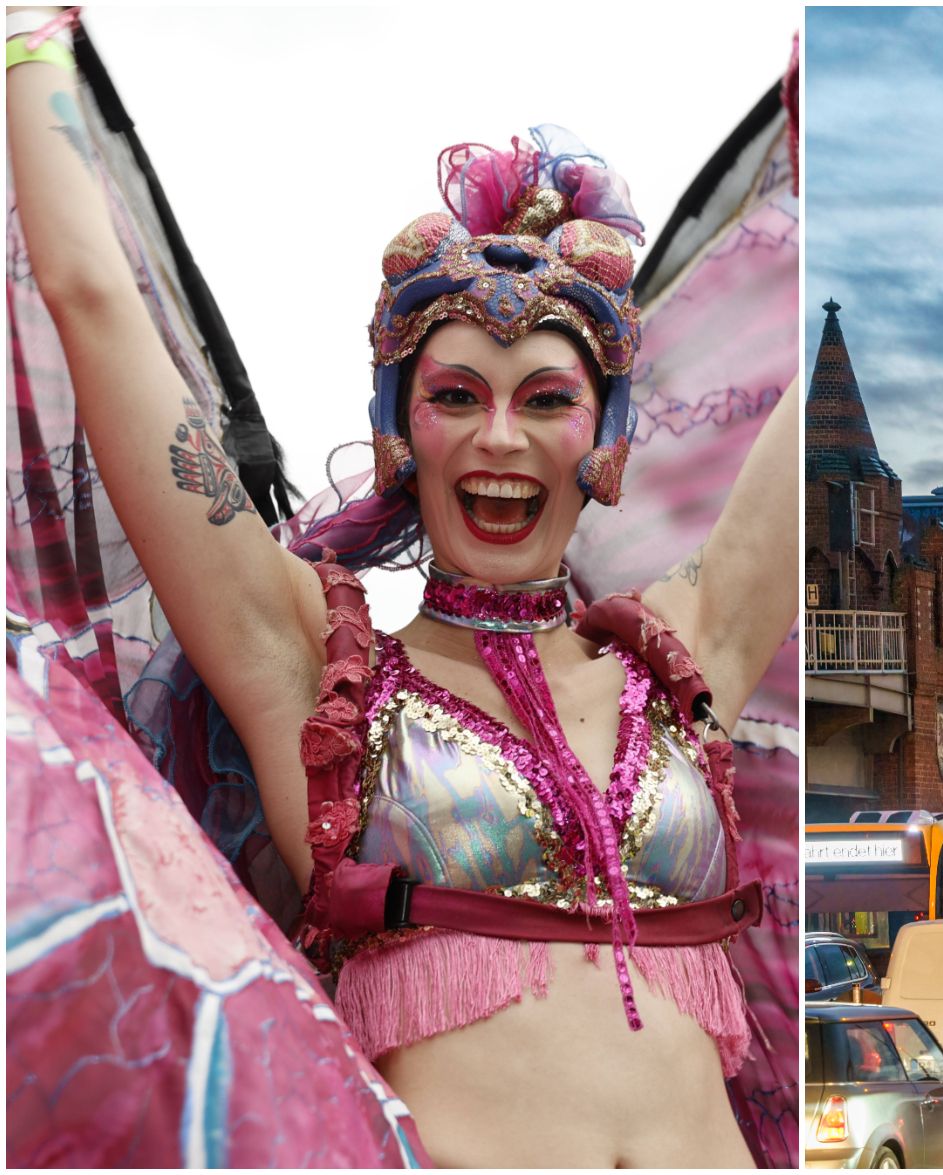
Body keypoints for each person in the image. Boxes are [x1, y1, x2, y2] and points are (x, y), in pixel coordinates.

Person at [7, 15, 797, 1168]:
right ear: (397, 432)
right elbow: (88, 295)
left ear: (606, 441)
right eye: (455, 393)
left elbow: (819, 376)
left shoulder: (683, 654)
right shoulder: (309, 675)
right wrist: (28, 44)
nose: (499, 437)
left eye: (544, 399)